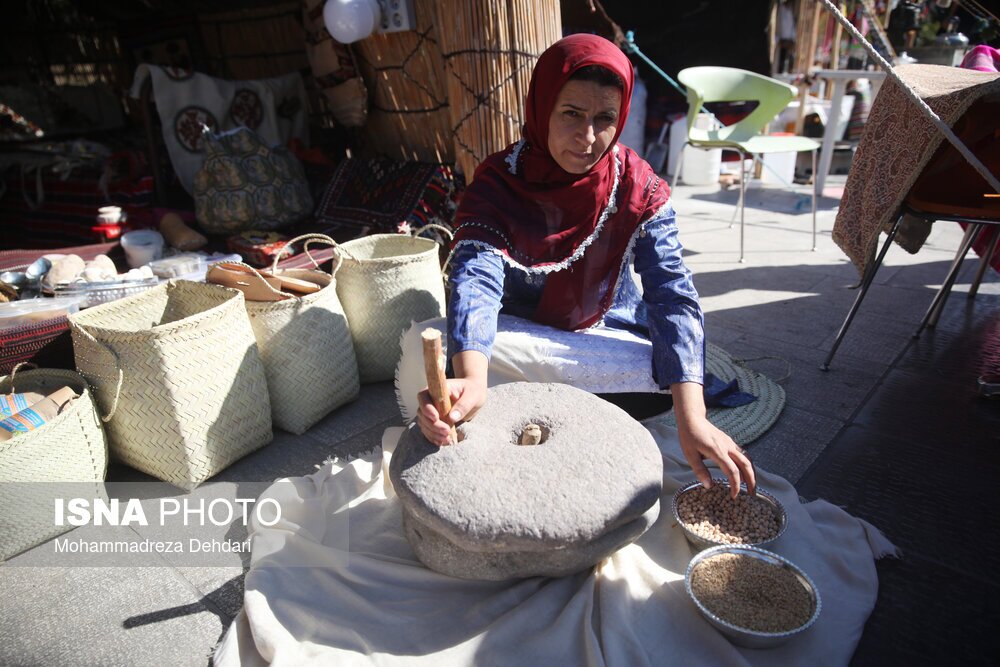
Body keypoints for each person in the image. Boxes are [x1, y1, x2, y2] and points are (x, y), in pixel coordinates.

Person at [417, 34, 755, 497]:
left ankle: (518, 404)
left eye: (605, 119)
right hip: (523, 337)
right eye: (571, 114)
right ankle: (493, 396)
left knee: (668, 370)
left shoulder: (638, 186)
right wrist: (473, 377)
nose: (588, 137)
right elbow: (475, 278)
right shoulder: (499, 182)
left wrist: (692, 418)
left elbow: (672, 294)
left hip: (605, 341)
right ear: (541, 108)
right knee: (430, 346)